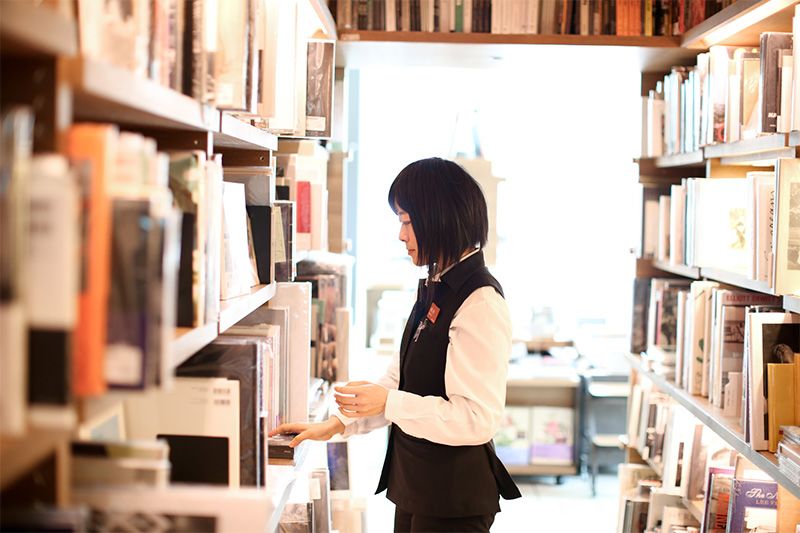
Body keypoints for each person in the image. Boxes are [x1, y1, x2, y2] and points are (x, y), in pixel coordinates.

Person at [269, 157, 521, 532]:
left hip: (453, 501)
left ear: (438, 219)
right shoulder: (438, 285)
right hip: (417, 487)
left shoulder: (479, 301)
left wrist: (388, 402)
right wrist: (336, 424)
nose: (401, 235)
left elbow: (475, 419)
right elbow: (399, 379)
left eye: (406, 221)